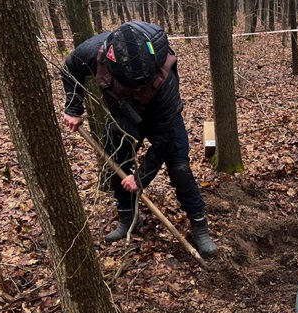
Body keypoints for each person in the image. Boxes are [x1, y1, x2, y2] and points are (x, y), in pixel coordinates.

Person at [61, 20, 218, 258]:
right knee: (116, 162)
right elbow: (70, 68)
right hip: (123, 116)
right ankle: (129, 219)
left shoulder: (165, 82)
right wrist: (73, 108)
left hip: (162, 119)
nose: (136, 89)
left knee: (179, 169)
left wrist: (141, 178)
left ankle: (199, 226)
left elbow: (163, 140)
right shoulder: (94, 52)